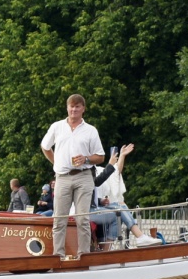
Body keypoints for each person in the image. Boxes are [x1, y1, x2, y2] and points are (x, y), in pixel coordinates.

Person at [40, 94, 106, 257]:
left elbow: (101, 156)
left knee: (82, 219)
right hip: (62, 177)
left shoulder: (90, 130)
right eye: (71, 106)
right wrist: (56, 162)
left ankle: (83, 255)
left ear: (83, 109)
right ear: (67, 108)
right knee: (59, 219)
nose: (73, 109)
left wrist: (86, 158)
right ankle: (58, 256)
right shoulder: (57, 127)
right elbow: (45, 146)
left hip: (84, 176)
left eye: (77, 106)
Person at [95, 144, 162, 247]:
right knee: (119, 210)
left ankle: (107, 250)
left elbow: (114, 173)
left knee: (120, 206)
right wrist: (111, 164)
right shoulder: (85, 173)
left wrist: (122, 156)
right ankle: (139, 236)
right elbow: (100, 179)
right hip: (87, 212)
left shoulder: (94, 170)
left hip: (97, 207)